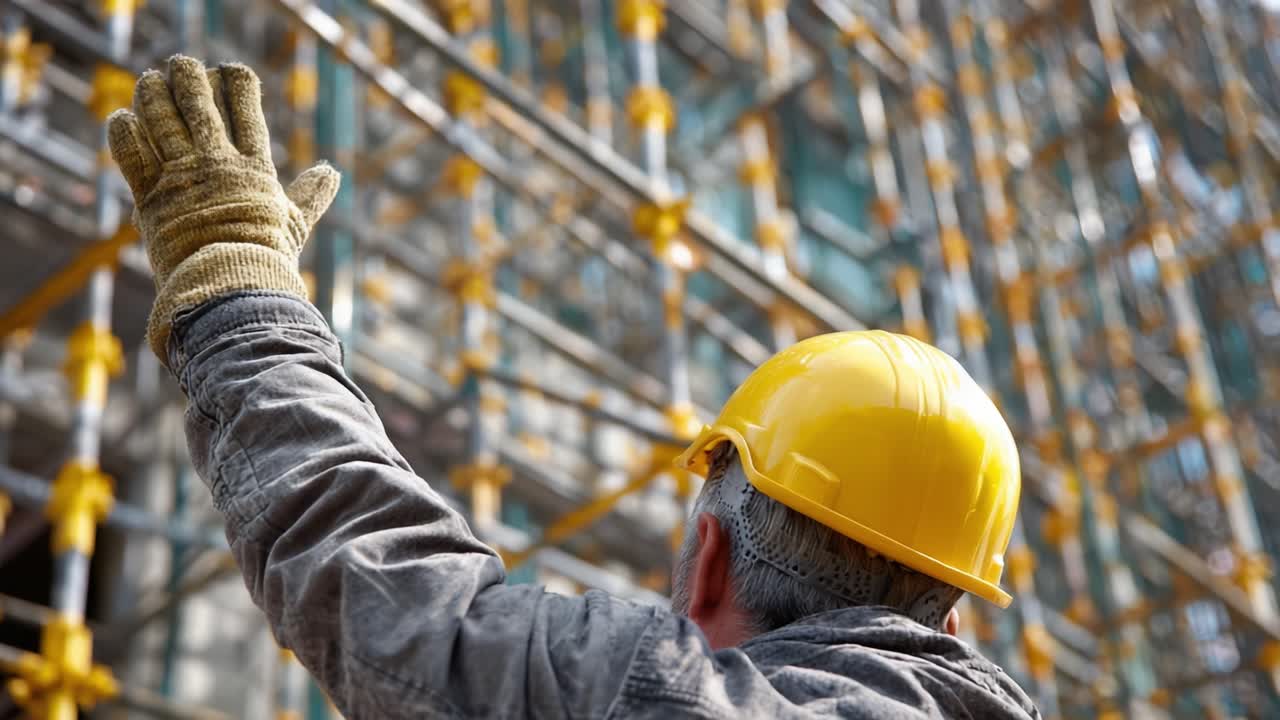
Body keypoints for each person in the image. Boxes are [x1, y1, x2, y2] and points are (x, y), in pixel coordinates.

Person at [107, 55, 1040, 719]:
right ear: (949, 623)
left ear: (708, 560)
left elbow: (400, 603)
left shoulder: (668, 699)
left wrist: (238, 294)